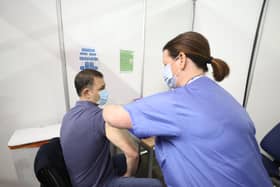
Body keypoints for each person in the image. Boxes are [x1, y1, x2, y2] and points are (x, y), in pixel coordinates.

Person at [102, 32, 273, 187]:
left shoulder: (178, 102)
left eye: (166, 65)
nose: (165, 72)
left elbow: (114, 116)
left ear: (181, 59)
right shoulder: (227, 99)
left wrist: (105, 106)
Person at [60, 69, 162, 187]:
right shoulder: (100, 117)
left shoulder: (68, 115)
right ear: (87, 93)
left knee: (131, 159)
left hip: (79, 178)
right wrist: (128, 176)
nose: (105, 93)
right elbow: (133, 154)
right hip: (99, 183)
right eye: (101, 89)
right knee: (156, 183)